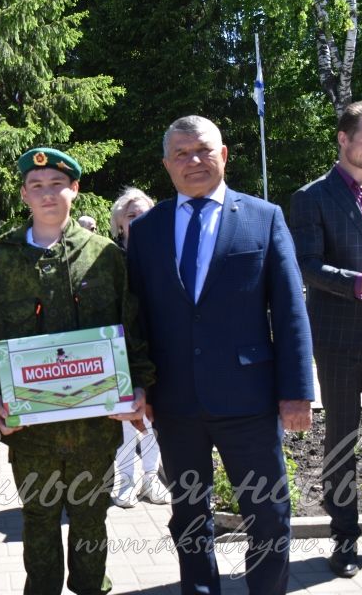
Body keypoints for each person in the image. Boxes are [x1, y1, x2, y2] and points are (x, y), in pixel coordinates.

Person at [126, 115, 314, 595]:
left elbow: (291, 310)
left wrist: (297, 393)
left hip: (250, 401)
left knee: (268, 517)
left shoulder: (262, 217)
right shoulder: (146, 231)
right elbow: (136, 319)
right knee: (189, 518)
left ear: (224, 154)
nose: (194, 161)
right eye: (182, 153)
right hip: (175, 403)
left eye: (204, 150)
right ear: (167, 165)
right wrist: (139, 386)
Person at [0, 147, 154, 595]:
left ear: (74, 190)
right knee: (37, 519)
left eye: (57, 184)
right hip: (30, 428)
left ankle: (91, 587)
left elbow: (132, 325)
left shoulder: (105, 257)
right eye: (36, 186)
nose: (47, 194)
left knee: (91, 516)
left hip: (94, 426)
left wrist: (137, 387)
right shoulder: (2, 258)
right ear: (24, 195)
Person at [288, 99, 362, 578]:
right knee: (343, 441)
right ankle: (343, 541)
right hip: (339, 337)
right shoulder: (312, 197)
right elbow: (305, 265)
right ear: (343, 139)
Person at [107, 187, 169, 508]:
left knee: (154, 418)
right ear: (120, 224)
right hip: (123, 350)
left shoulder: (166, 253)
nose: (139, 219)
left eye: (144, 213)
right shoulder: (112, 259)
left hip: (160, 349)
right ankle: (127, 481)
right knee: (126, 417)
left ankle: (151, 479)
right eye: (132, 215)